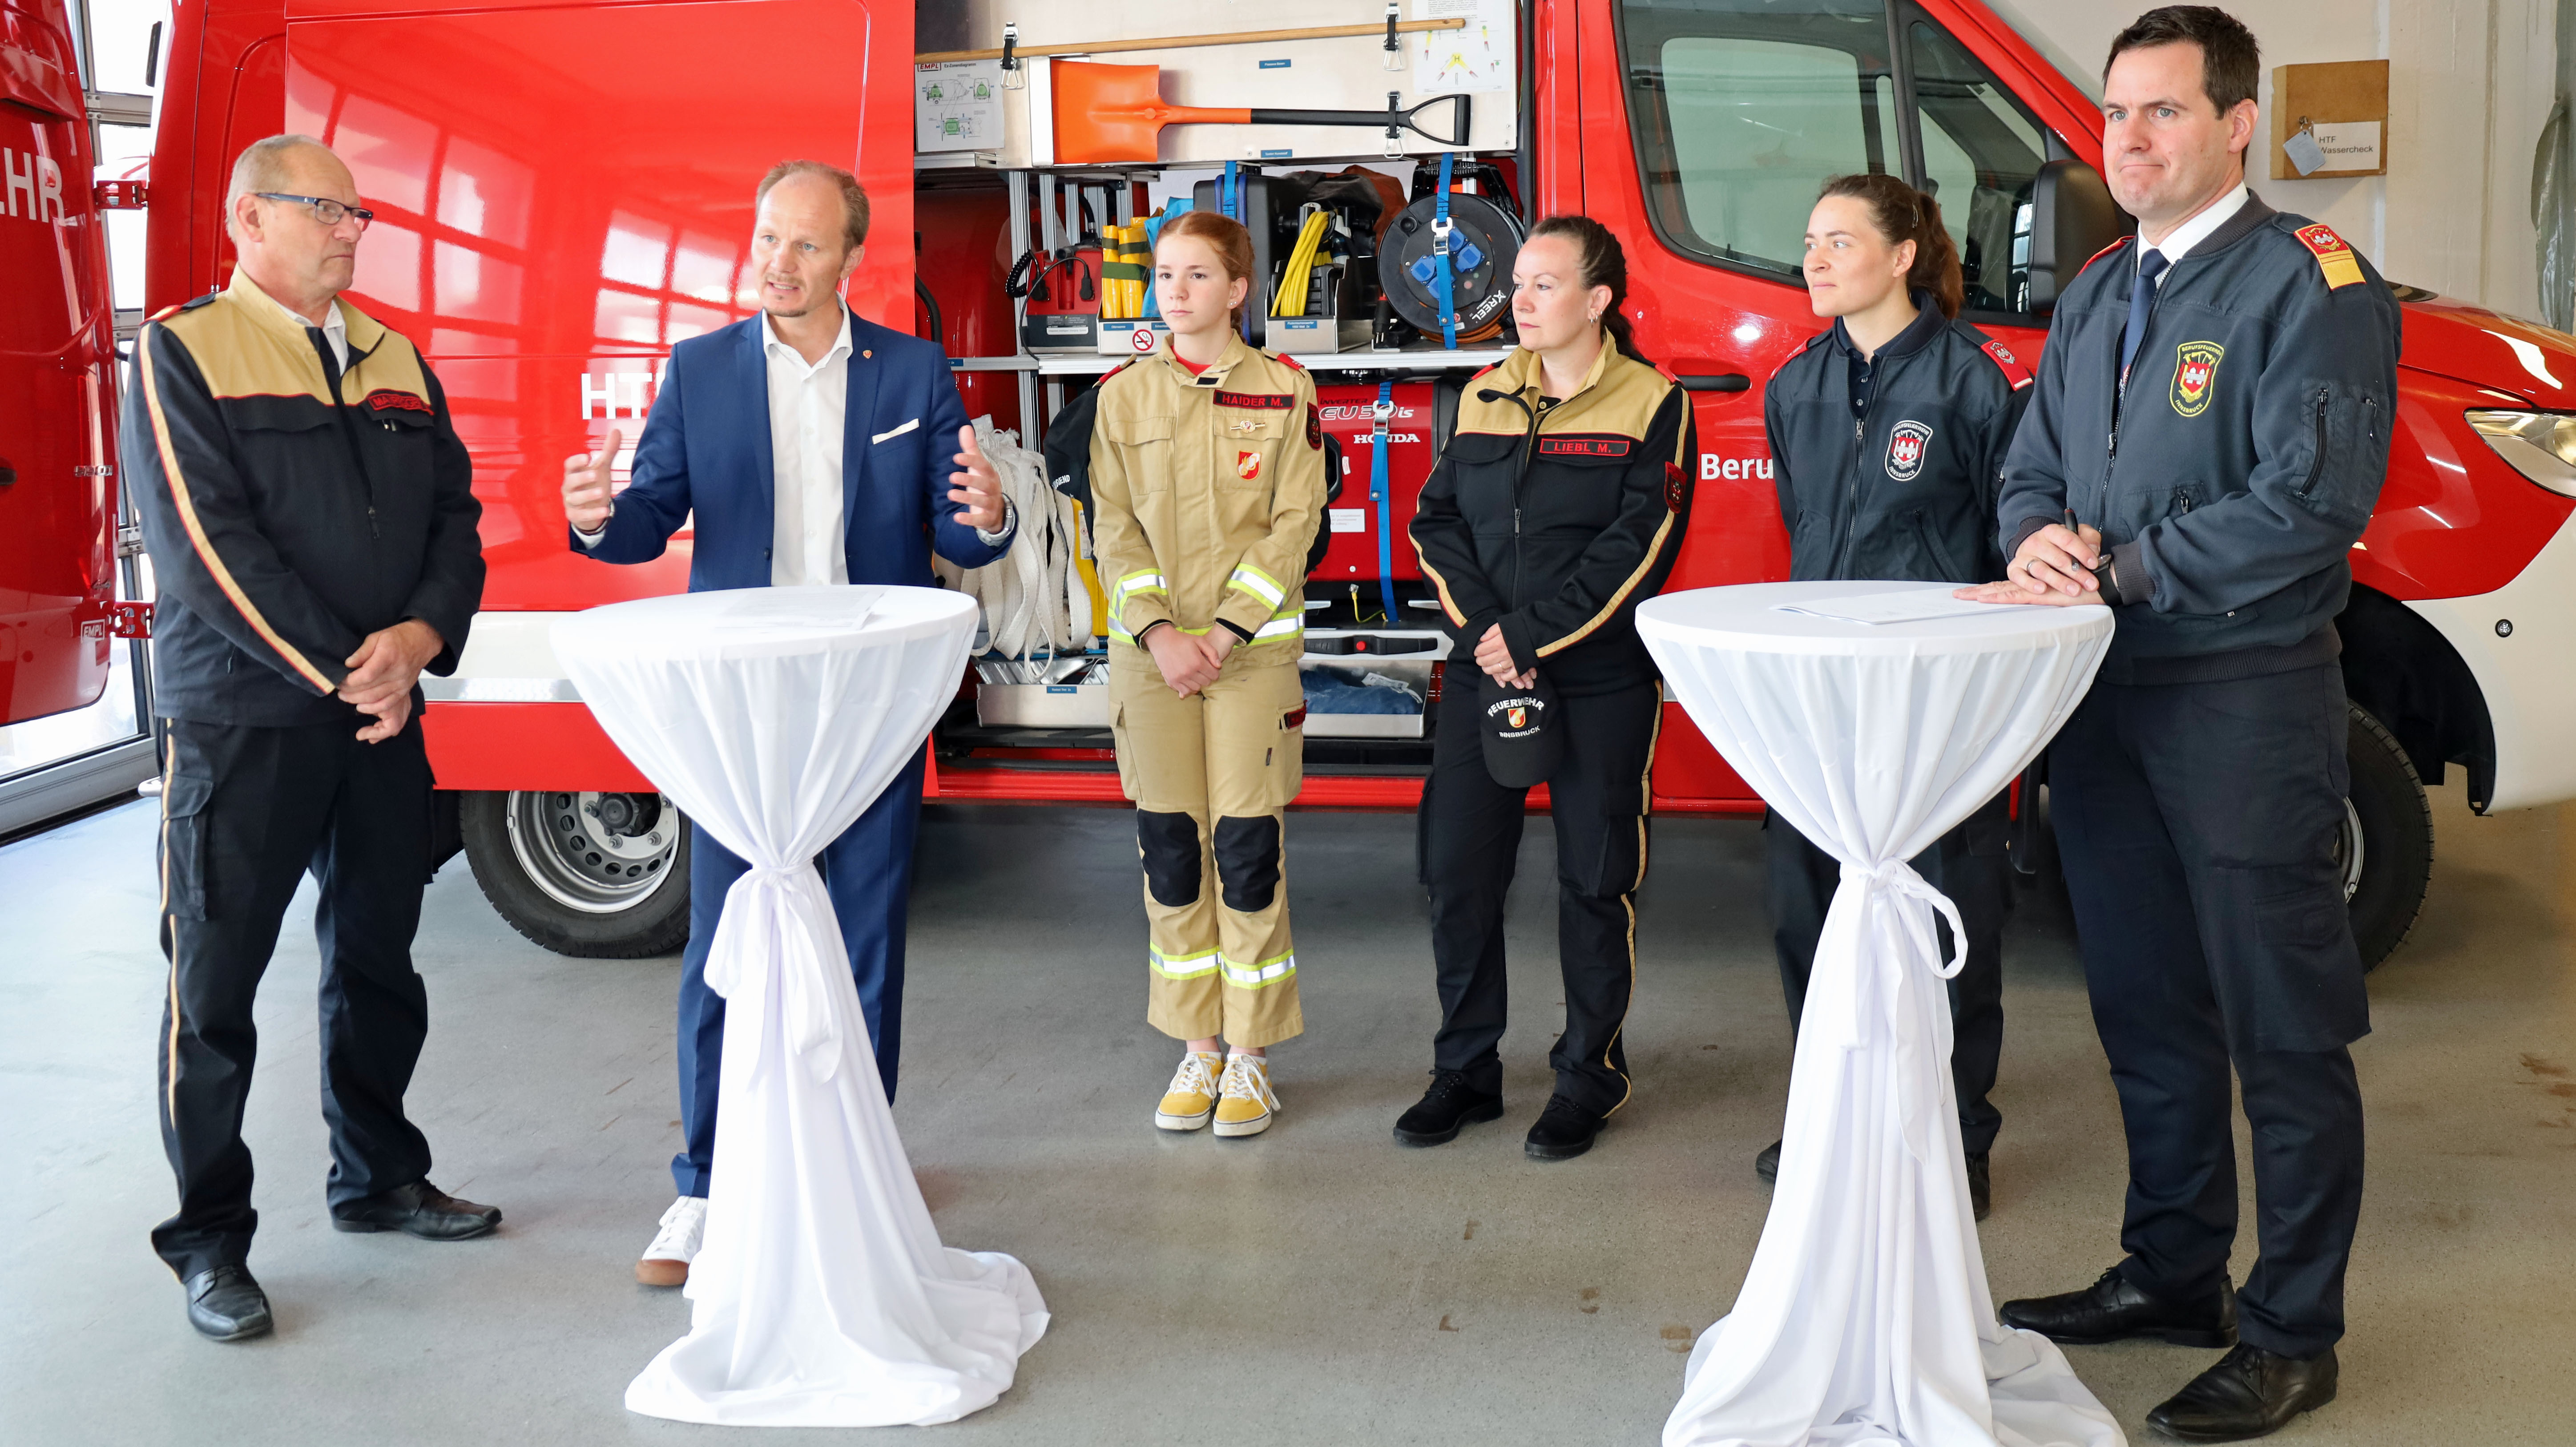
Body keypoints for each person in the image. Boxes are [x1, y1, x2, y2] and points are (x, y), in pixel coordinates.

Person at [1955, 8, 2399, 1440]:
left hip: (2241, 699)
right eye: (2115, 114)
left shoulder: (2311, 286)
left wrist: (2126, 566)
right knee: (2146, 1003)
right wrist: (2035, 543)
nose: (2130, 140)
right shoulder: (2097, 290)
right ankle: (2174, 1269)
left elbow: (2310, 507)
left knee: (2282, 1021)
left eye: (2162, 113)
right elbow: (2033, 461)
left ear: (2236, 126)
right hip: (2100, 699)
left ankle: (2292, 1326)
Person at [562, 160, 1016, 1286]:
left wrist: (993, 519)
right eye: (769, 238)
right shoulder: (702, 370)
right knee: (725, 943)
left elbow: (954, 537)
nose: (779, 261)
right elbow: (648, 520)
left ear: (850, 259)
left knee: (864, 944)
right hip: (742, 712)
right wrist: (597, 522)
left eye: (807, 245)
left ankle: (854, 1166)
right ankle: (707, 1190)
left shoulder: (911, 371)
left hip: (866, 706)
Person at [125, 134, 494, 1343]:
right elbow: (208, 549)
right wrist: (357, 673)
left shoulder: (394, 356)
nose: (353, 229)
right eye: (327, 210)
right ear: (249, 220)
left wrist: (424, 637)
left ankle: (378, 1172)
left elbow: (455, 513)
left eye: (359, 211)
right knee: (216, 982)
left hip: (383, 716)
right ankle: (210, 1241)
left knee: (379, 955)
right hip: (243, 724)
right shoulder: (184, 349)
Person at [1755, 174, 2033, 1218]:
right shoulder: (1796, 387)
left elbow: (2012, 543)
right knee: (1806, 906)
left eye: (1838, 241)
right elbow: (1804, 530)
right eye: (1809, 241)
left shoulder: (1974, 385)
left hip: (1933, 704)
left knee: (1945, 912)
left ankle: (1957, 1134)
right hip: (1821, 698)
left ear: (1904, 255)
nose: (1814, 260)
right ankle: (1834, 1117)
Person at [1400, 215, 1695, 1161]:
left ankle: (1587, 1073)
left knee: (1593, 878)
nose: (1518, 300)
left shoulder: (1653, 402)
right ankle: (1465, 1069)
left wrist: (1528, 635)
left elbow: (1639, 549)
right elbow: (1434, 522)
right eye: (1517, 284)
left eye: (1541, 285)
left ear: (1597, 300)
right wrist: (1486, 635)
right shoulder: (1484, 394)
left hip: (1599, 675)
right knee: (1456, 870)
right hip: (1482, 669)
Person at [1088, 210, 1326, 1140]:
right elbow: (1113, 529)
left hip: (1247, 659)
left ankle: (1253, 1057)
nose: (1174, 291)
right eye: (1164, 275)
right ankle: (1198, 1046)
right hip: (1152, 665)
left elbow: (1293, 524)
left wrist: (1220, 634)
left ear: (1237, 291)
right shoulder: (1121, 398)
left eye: (1196, 275)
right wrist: (1156, 633)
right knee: (1172, 855)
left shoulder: (1283, 392)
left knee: (1246, 856)